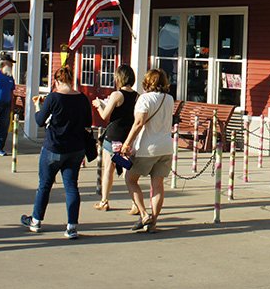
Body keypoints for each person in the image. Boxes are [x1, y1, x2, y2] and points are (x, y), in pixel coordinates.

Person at [20, 65, 91, 239]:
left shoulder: (53, 97)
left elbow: (39, 121)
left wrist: (38, 106)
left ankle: (36, 221)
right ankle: (72, 227)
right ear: (71, 79)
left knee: (44, 185)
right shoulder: (82, 98)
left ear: (57, 81)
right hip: (76, 148)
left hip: (54, 146)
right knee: (71, 186)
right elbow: (88, 123)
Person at [119, 68, 176, 233]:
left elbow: (139, 123)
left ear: (147, 82)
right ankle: (153, 222)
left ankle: (144, 214)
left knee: (130, 179)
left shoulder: (144, 98)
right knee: (157, 185)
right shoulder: (169, 99)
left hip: (147, 148)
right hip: (166, 147)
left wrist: (127, 143)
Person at [91, 64, 138, 212]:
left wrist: (98, 105)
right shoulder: (137, 96)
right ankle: (135, 203)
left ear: (119, 78)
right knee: (127, 169)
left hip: (113, 137)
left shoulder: (116, 95)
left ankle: (104, 201)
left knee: (108, 169)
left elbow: (105, 116)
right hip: (127, 138)